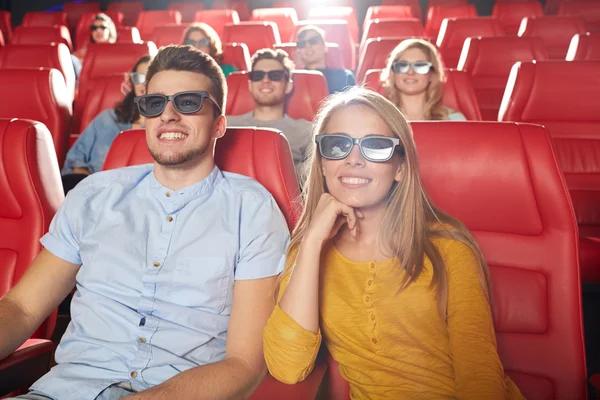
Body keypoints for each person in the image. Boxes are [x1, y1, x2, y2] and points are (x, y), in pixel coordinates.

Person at [0, 45, 289, 400]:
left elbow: (246, 364)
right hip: (65, 390)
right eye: (155, 104)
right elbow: (22, 308)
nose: (168, 115)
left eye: (188, 102)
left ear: (219, 124)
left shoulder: (253, 209)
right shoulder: (94, 196)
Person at [263, 87, 525, 399]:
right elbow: (288, 368)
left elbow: (479, 373)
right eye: (337, 145)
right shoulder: (310, 252)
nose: (354, 160)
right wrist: (310, 244)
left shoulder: (449, 248)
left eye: (375, 146)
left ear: (400, 166)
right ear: (322, 163)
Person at [61, 55, 151, 194]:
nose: (145, 84)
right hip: (91, 192)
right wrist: (93, 187)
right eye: (139, 78)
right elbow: (75, 159)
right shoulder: (107, 118)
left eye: (151, 78)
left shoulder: (165, 128)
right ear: (132, 82)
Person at [226, 48, 312, 173]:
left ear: (288, 85)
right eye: (258, 76)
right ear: (250, 85)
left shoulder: (305, 130)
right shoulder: (227, 126)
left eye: (275, 76)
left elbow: (313, 177)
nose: (265, 80)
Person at [380, 38, 467, 121]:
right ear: (393, 73)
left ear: (432, 74)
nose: (410, 72)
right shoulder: (378, 118)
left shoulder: (453, 119)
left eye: (420, 66)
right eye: (402, 65)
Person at [295, 25, 356, 94]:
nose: (307, 46)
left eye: (313, 41)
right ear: (298, 51)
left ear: (325, 46)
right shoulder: (294, 80)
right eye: (302, 44)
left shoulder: (344, 77)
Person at [72, 13, 117, 78]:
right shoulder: (85, 50)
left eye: (102, 27)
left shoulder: (117, 51)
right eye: (94, 28)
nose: (98, 31)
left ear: (110, 31)